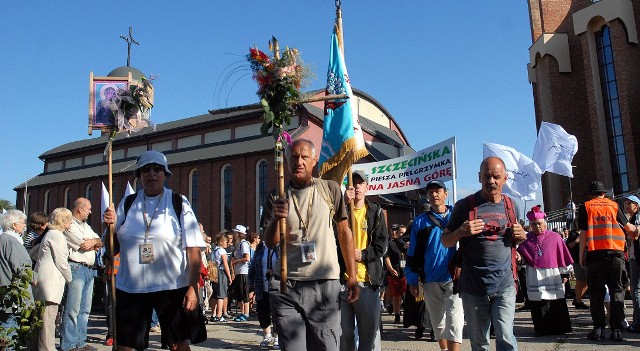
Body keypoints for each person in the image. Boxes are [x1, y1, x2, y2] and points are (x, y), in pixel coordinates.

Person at [103, 150, 207, 351]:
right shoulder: (128, 203)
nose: (151, 173)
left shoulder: (178, 203)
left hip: (171, 285)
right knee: (124, 346)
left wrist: (193, 287)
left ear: (165, 174)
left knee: (178, 344)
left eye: (157, 169)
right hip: (131, 287)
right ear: (139, 175)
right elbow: (111, 247)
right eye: (146, 169)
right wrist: (110, 227)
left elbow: (193, 249)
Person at [263, 138, 359, 350]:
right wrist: (276, 220)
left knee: (326, 347)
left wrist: (352, 276)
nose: (299, 162)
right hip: (287, 285)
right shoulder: (277, 194)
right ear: (286, 161)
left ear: (314, 160)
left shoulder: (330, 189)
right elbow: (270, 243)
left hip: (323, 284)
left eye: (305, 157)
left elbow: (344, 233)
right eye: (294, 157)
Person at [441, 156, 526, 351]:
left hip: (504, 284)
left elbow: (518, 240)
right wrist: (461, 231)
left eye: (496, 177)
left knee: (505, 337)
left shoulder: (513, 206)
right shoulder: (465, 206)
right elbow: (445, 241)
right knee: (479, 343)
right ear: (479, 177)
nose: (491, 181)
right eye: (486, 176)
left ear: (505, 178)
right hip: (473, 287)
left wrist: (521, 237)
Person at [578, 181, 639, 341]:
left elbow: (583, 234)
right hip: (615, 255)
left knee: (597, 294)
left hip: (595, 256)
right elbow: (628, 227)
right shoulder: (614, 205)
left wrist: (580, 256)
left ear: (591, 194)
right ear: (604, 193)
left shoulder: (586, 207)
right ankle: (617, 330)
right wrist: (636, 232)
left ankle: (598, 329)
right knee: (617, 292)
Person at [407, 180, 464, 351]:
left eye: (438, 191)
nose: (434, 194)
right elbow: (413, 253)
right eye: (430, 192)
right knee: (438, 322)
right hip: (430, 277)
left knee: (455, 319)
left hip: (454, 277)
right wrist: (411, 279)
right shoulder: (419, 222)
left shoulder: (458, 218)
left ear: (446, 194)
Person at [341, 169, 388, 351]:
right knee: (344, 334)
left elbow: (381, 245)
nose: (357, 187)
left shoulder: (375, 212)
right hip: (344, 281)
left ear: (367, 187)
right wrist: (343, 205)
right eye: (353, 183)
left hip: (367, 283)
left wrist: (363, 255)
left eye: (361, 183)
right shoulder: (341, 211)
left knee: (368, 335)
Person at [516, 206, 573, 336]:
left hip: (552, 274)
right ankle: (541, 328)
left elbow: (562, 255)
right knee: (538, 301)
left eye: (539, 224)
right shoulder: (525, 239)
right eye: (533, 224)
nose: (537, 227)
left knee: (555, 300)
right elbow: (522, 258)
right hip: (534, 275)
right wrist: (519, 258)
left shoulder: (555, 237)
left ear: (545, 224)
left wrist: (564, 273)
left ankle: (560, 327)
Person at [61, 197, 103, 351]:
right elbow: (82, 244)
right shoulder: (69, 224)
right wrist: (93, 243)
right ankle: (68, 344)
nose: (91, 212)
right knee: (72, 308)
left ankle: (81, 341)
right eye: (89, 209)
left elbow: (101, 240)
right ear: (80, 209)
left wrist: (93, 242)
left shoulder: (86, 226)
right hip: (76, 268)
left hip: (90, 269)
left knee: (85, 309)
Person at [33, 208, 73, 351]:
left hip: (44, 281)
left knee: (41, 321)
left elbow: (34, 252)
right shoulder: (57, 236)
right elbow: (61, 262)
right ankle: (48, 348)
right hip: (50, 283)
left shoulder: (49, 234)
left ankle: (37, 347)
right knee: (48, 321)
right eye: (69, 219)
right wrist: (70, 278)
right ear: (63, 221)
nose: (71, 222)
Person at [248, 236, 280, 349]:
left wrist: (274, 271)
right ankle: (267, 335)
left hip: (277, 287)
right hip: (261, 286)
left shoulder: (280, 246)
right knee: (263, 312)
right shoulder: (261, 247)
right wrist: (250, 287)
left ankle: (277, 337)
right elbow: (252, 266)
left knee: (277, 313)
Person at [385, 223, 408, 323]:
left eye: (404, 233)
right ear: (397, 233)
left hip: (406, 272)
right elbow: (387, 257)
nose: (402, 234)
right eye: (401, 232)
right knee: (396, 294)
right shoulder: (391, 243)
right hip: (395, 271)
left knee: (406, 293)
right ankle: (397, 314)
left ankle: (408, 313)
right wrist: (390, 269)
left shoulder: (407, 244)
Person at [625, 195, 640, 333]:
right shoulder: (634, 217)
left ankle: (637, 322)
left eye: (629, 203)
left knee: (636, 289)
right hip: (633, 256)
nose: (626, 205)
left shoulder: (637, 217)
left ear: (637, 205)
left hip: (637, 257)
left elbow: (635, 234)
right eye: (625, 203)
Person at [210, 232, 233, 322]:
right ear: (222, 242)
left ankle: (213, 314)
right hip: (221, 273)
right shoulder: (222, 251)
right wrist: (229, 277)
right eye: (226, 241)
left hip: (214, 273)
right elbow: (226, 265)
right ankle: (219, 315)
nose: (227, 243)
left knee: (214, 294)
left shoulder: (214, 250)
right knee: (221, 295)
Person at [231, 224, 251, 322]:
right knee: (239, 293)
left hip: (243, 271)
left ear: (239, 234)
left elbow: (247, 258)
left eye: (235, 232)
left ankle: (246, 313)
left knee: (244, 293)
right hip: (239, 272)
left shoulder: (244, 244)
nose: (234, 234)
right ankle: (242, 312)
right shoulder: (239, 244)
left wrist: (236, 261)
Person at [565, 227, 589, 309]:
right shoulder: (573, 234)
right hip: (577, 260)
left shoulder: (586, 231)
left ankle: (577, 298)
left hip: (586, 259)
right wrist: (578, 240)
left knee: (586, 281)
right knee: (580, 280)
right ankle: (578, 300)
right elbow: (569, 246)